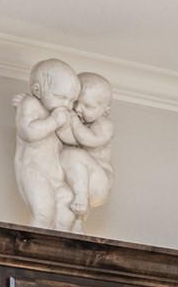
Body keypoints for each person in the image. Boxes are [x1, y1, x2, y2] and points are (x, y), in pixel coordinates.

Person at [12, 59, 79, 230]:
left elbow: (73, 141)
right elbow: (28, 132)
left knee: (67, 210)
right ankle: (32, 247)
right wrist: (55, 120)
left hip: (58, 178)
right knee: (44, 213)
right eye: (61, 97)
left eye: (72, 101)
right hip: (35, 171)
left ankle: (63, 249)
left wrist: (66, 124)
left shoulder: (63, 115)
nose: (67, 105)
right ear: (37, 90)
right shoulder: (31, 104)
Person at [59, 72, 114, 223]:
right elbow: (65, 136)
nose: (78, 109)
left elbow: (88, 139)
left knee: (71, 155)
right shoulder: (80, 125)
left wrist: (73, 120)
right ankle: (78, 223)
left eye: (88, 106)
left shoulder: (104, 125)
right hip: (83, 176)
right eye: (76, 102)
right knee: (66, 156)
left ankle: (81, 196)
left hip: (99, 182)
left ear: (105, 111)